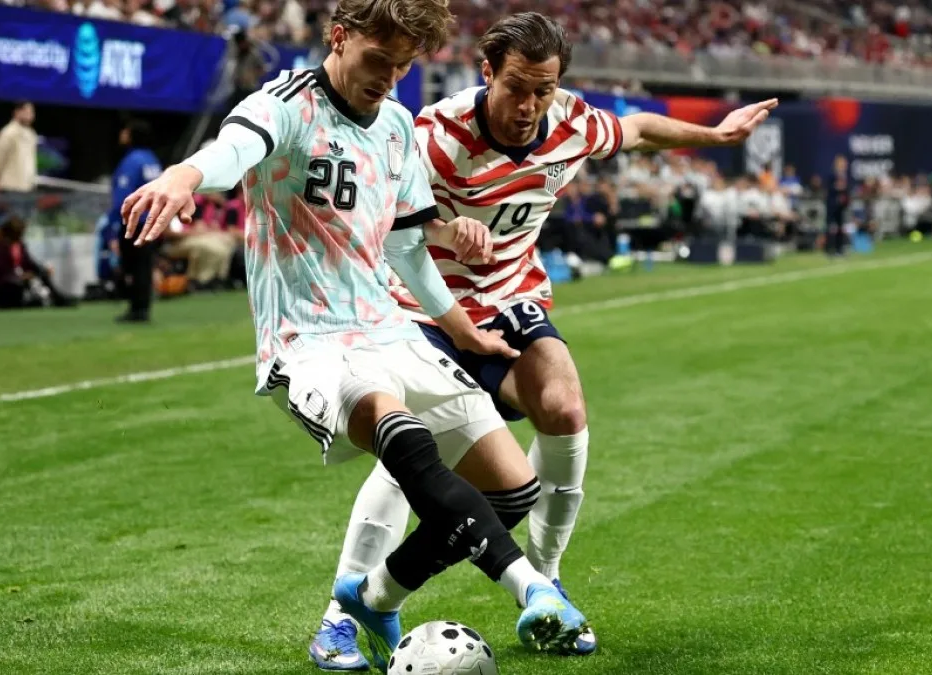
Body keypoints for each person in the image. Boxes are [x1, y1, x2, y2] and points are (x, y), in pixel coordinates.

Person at [119, 0, 592, 670]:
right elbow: (233, 150)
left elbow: (407, 251)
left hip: (390, 329)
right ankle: (532, 589)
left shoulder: (396, 126)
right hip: (310, 342)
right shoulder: (285, 105)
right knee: (404, 438)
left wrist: (463, 331)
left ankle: (371, 598)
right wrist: (184, 174)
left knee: (513, 489)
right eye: (379, 60)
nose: (390, 78)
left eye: (403, 66)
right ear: (339, 36)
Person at [311, 11, 778, 668]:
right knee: (411, 454)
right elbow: (375, 214)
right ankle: (339, 617)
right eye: (517, 88)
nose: (529, 105)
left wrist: (717, 135)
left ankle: (547, 582)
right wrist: (443, 229)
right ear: (487, 74)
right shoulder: (435, 136)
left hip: (510, 301)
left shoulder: (572, 122)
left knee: (564, 406)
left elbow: (639, 130)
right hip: (424, 309)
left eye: (544, 89)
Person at [113, 119, 163, 323]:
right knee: (144, 264)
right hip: (152, 219)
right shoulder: (152, 160)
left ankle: (137, 308)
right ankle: (142, 306)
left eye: (126, 131)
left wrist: (116, 223)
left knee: (133, 266)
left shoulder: (132, 161)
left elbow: (122, 195)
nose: (122, 134)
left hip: (134, 220)